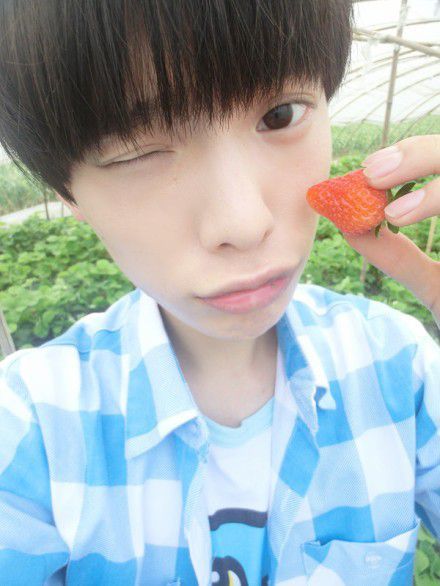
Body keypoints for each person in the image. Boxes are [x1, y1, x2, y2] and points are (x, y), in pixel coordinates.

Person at [0, 1, 438, 584]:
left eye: (280, 115)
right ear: (69, 194)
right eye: (137, 151)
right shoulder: (30, 429)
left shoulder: (402, 366)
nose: (244, 223)